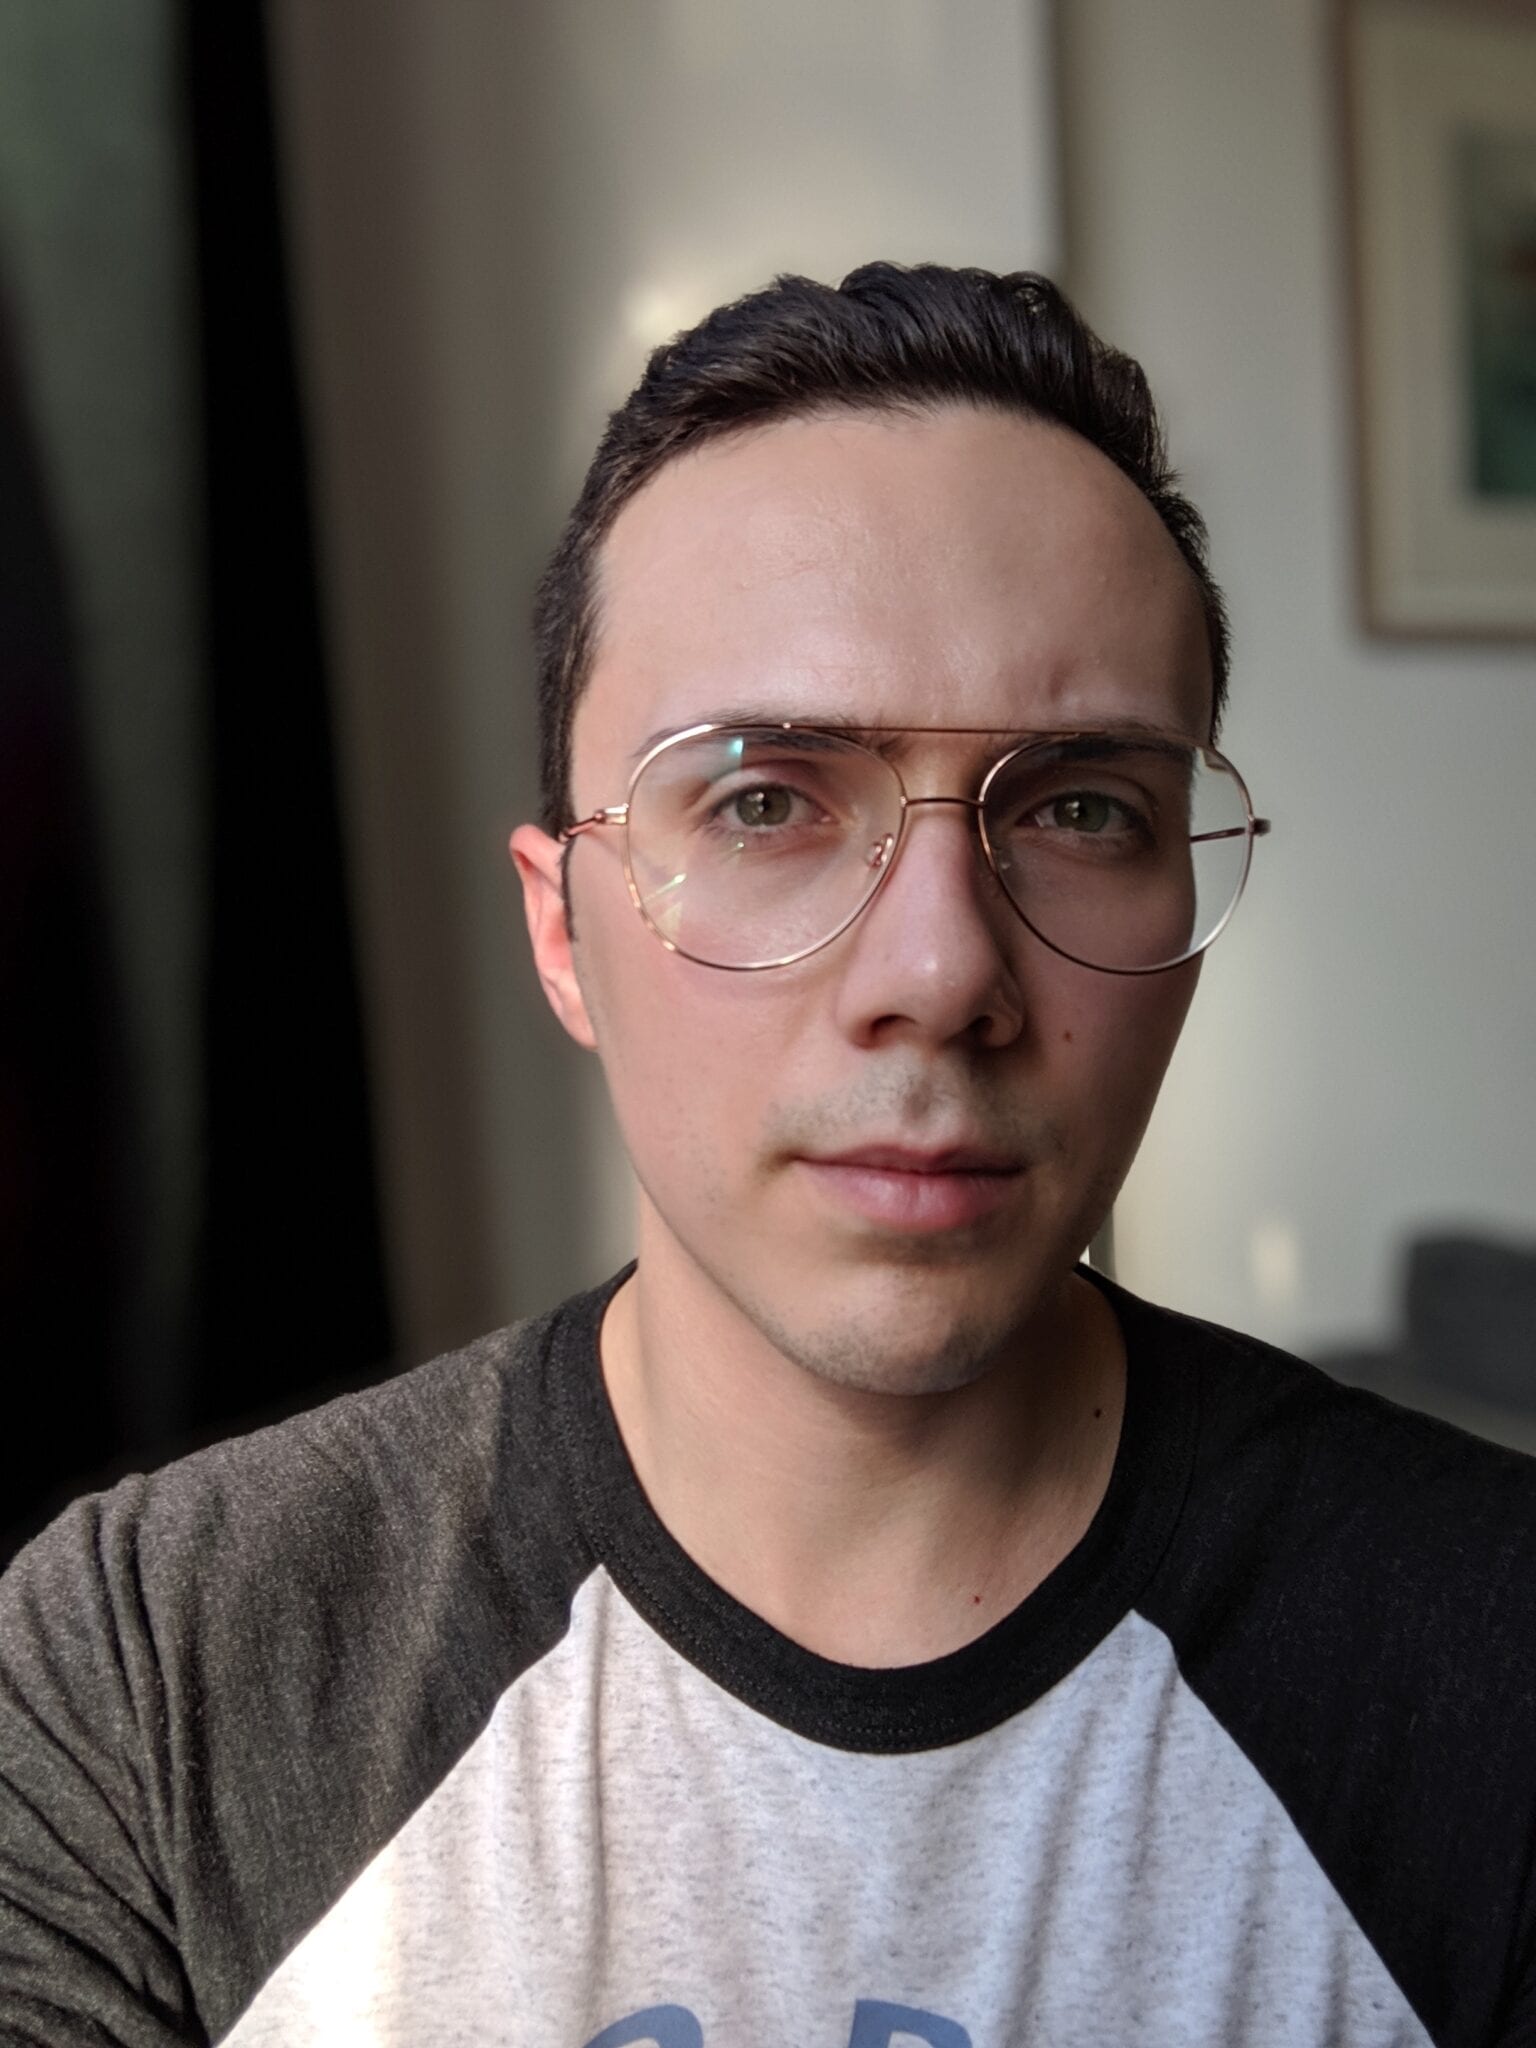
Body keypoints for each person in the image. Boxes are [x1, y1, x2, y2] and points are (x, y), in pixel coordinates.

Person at [1, 263, 1532, 2048]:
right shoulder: (153, 1672)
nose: (941, 973)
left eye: (1081, 807)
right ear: (563, 933)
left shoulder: (1494, 1663)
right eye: (763, 800)